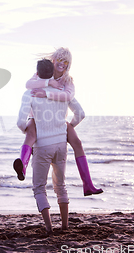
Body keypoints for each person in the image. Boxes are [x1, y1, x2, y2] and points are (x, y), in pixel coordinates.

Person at [13, 47, 102, 196]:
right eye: (59, 60)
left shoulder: (68, 81)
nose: (62, 64)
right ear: (53, 61)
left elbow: (68, 97)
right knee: (30, 135)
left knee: (78, 143)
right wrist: (48, 82)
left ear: (69, 64)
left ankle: (88, 184)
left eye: (65, 61)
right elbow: (28, 85)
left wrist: (68, 126)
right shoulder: (42, 75)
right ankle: (23, 166)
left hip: (59, 120)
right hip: (39, 117)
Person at [17, 59, 83, 234]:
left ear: (37, 74)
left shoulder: (30, 93)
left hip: (42, 146)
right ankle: (65, 225)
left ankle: (49, 228)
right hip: (61, 144)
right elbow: (81, 114)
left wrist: (29, 130)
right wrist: (68, 126)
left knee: (39, 187)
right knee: (60, 185)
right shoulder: (62, 91)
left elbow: (19, 122)